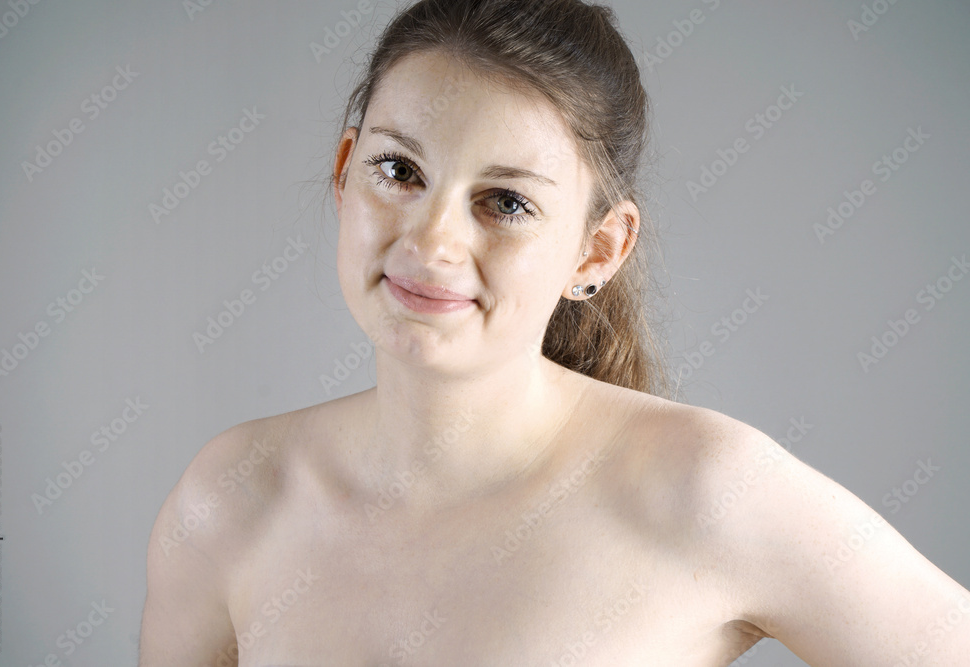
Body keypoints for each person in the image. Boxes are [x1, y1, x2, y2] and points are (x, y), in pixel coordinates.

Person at [138, 0, 970, 665]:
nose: (431, 243)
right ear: (344, 171)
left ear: (597, 248)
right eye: (399, 170)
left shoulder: (708, 490)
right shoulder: (233, 498)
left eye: (505, 202)